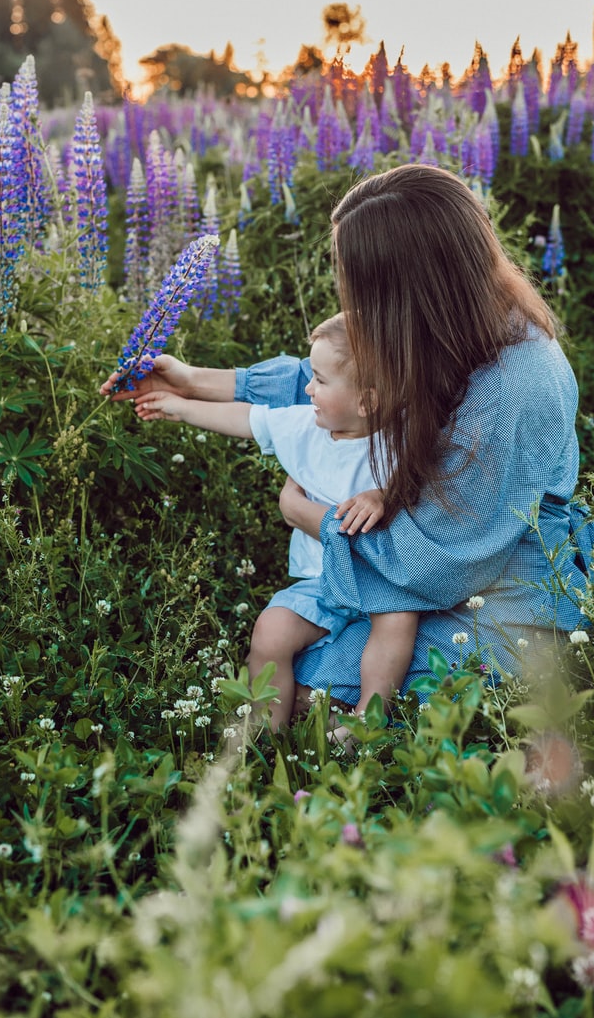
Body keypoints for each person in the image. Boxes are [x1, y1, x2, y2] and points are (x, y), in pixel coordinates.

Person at [101, 164, 594, 716]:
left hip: (503, 593)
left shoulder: (511, 388)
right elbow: (346, 380)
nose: (355, 306)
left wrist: (311, 518)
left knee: (311, 691)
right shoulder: (463, 325)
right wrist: (194, 380)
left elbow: (436, 565)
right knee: (292, 662)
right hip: (436, 563)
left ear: (410, 288)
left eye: (362, 288)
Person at [128, 312, 418, 730]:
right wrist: (178, 407)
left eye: (319, 379)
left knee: (398, 622)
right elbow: (246, 419)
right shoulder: (305, 427)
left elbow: (428, 483)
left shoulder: (402, 440)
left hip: (379, 578)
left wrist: (384, 495)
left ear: (367, 401)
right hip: (319, 582)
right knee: (270, 631)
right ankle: (265, 737)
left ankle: (366, 721)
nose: (307, 388)